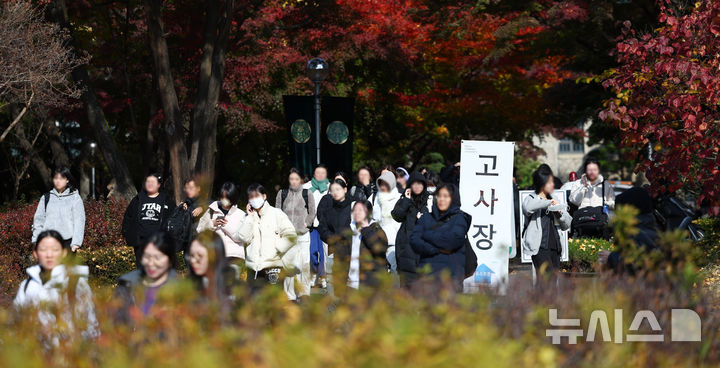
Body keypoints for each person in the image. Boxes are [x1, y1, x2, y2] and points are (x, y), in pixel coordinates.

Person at [15, 230, 98, 341]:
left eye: (55, 250)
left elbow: (90, 324)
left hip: (68, 352)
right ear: (35, 253)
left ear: (64, 253)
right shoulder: (27, 284)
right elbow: (16, 321)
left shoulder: (75, 282)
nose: (49, 255)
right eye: (43, 249)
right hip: (33, 354)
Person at [235, 184, 298, 298]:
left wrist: (277, 247)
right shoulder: (247, 217)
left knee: (273, 305)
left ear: (264, 196)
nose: (254, 199)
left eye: (256, 196)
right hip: (253, 268)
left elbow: (291, 234)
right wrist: (249, 218)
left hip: (273, 267)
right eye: (251, 197)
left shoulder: (276, 213)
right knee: (254, 306)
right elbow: (243, 237)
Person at [410, 184, 471, 287]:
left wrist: (427, 234)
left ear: (453, 199)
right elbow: (414, 240)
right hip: (426, 275)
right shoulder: (426, 217)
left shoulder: (460, 218)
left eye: (446, 196)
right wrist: (435, 249)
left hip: (450, 275)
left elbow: (452, 241)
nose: (441, 199)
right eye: (439, 196)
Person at [522, 165, 573, 280]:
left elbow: (567, 224)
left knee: (552, 282)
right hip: (539, 246)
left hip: (555, 246)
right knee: (546, 281)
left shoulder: (555, 199)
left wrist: (559, 212)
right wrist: (548, 203)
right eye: (549, 182)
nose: (552, 185)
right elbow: (528, 208)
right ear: (541, 183)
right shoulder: (531, 198)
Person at [115, 232, 179, 320]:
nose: (151, 263)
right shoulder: (127, 285)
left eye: (158, 257)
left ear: (170, 259)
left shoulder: (181, 289)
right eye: (147, 257)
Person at [276, 168, 316, 300]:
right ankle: (289, 296)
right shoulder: (282, 193)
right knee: (289, 266)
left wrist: (307, 223)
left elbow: (312, 211)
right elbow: (277, 213)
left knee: (304, 265)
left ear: (301, 180)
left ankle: (304, 294)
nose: (294, 182)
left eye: (296, 179)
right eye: (291, 179)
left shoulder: (307, 193)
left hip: (303, 234)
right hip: (287, 235)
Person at [598, 187, 658, 273]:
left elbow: (638, 263)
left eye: (620, 211)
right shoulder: (647, 228)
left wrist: (611, 257)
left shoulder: (640, 233)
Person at [122, 173, 176, 265]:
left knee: (158, 267)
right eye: (148, 182)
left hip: (159, 241)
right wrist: (126, 233)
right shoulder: (138, 199)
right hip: (140, 241)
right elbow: (128, 217)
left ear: (158, 185)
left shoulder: (166, 200)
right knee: (142, 268)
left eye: (152, 182)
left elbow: (174, 218)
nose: (150, 184)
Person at [392, 171, 433, 287]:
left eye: (420, 184)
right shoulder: (404, 199)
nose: (417, 186)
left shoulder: (430, 200)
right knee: (406, 286)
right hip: (405, 247)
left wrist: (424, 216)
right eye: (414, 184)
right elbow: (397, 216)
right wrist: (406, 199)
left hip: (423, 249)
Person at [32, 167, 86, 252]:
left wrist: (76, 243)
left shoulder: (75, 198)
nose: (58, 181)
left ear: (67, 180)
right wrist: (36, 239)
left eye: (61, 178)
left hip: (68, 243)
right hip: (48, 241)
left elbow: (79, 221)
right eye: (56, 178)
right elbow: (38, 220)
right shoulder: (46, 198)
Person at [196, 181, 247, 262]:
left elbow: (243, 237)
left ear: (233, 198)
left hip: (234, 258)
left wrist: (226, 226)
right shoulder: (211, 210)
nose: (224, 200)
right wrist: (212, 223)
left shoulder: (241, 214)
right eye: (222, 197)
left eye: (227, 198)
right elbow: (199, 230)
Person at [187, 231, 236, 309]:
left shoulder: (233, 287)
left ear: (214, 255)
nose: (193, 261)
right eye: (191, 255)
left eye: (200, 256)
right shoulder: (189, 286)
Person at [317, 179, 353, 282]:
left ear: (345, 189)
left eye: (338, 189)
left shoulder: (354, 205)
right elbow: (322, 227)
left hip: (353, 249)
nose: (335, 193)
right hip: (336, 249)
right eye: (332, 190)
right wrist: (332, 238)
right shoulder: (329, 208)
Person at [348, 200, 388, 289]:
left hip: (370, 282)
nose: (357, 213)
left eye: (360, 210)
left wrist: (366, 229)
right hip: (351, 282)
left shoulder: (376, 229)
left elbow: (379, 251)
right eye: (355, 210)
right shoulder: (350, 229)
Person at [371, 170, 402, 271]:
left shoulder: (399, 198)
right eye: (381, 184)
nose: (383, 187)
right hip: (378, 239)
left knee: (394, 269)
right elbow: (371, 217)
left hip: (393, 240)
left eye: (386, 184)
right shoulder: (375, 198)